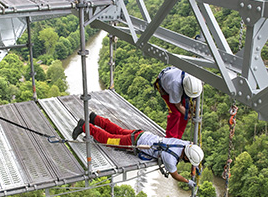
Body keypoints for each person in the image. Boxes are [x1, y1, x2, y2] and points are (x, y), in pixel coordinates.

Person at [72, 112, 204, 188]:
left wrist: (196, 165)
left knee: (118, 130)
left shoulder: (185, 144)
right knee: (108, 139)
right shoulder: (170, 159)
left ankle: (95, 118)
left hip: (144, 135)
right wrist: (187, 181)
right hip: (135, 142)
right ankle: (84, 126)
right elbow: (175, 175)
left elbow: (192, 147)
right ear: (186, 157)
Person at [154, 66, 203, 139]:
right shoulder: (175, 84)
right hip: (165, 84)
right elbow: (178, 105)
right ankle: (170, 138)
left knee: (185, 114)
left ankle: (178, 137)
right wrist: (189, 115)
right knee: (176, 114)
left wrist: (194, 109)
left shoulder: (196, 82)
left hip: (179, 83)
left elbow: (194, 99)